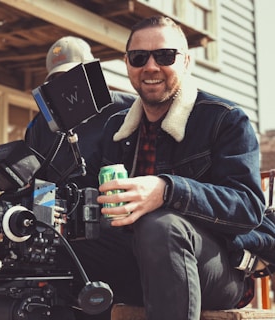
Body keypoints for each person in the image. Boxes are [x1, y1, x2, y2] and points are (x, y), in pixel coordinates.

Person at [96, 16, 267, 320]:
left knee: (160, 226)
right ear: (127, 63)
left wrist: (167, 190)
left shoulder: (225, 119)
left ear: (186, 62)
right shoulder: (115, 128)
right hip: (136, 263)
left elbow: (248, 207)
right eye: (139, 57)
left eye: (164, 56)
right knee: (59, 246)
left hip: (216, 270)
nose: (150, 67)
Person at [25, 36, 143, 319]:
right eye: (56, 80)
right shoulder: (41, 125)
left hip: (116, 227)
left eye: (71, 77)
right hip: (58, 230)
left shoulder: (125, 110)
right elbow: (39, 182)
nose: (64, 88)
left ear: (90, 74)